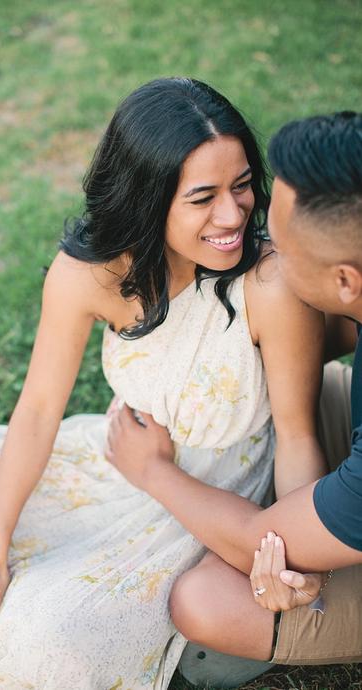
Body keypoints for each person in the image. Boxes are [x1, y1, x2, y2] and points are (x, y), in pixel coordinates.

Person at [0, 78, 327, 690]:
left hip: (209, 503)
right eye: (203, 197)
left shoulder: (268, 284)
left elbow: (295, 434)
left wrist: (297, 551)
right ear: (147, 198)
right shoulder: (88, 276)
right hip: (111, 461)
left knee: (51, 644)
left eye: (241, 187)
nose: (233, 215)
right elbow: (40, 410)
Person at [106, 111, 362, 687]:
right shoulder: (354, 296)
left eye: (284, 253)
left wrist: (153, 471)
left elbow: (262, 545)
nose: (264, 257)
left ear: (344, 281)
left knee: (205, 598)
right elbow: (307, 351)